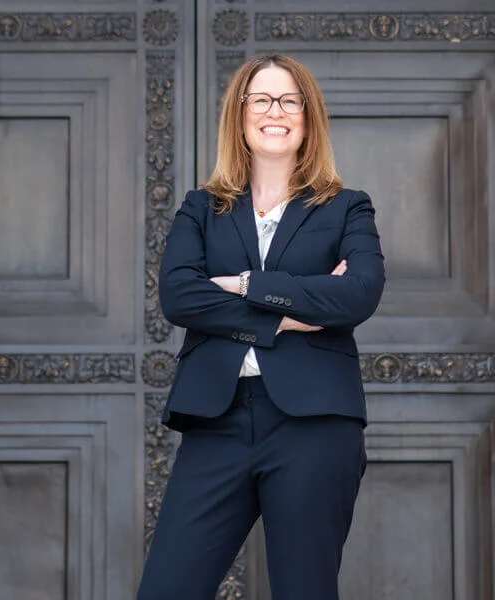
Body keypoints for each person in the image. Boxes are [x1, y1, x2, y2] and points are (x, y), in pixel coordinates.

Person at [137, 54, 385, 600]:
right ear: (241, 115)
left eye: (290, 99)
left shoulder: (347, 208)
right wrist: (291, 315)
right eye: (262, 99)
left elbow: (358, 294)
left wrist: (244, 284)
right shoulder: (200, 209)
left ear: (308, 115)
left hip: (315, 425)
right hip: (216, 421)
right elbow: (179, 296)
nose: (276, 111)